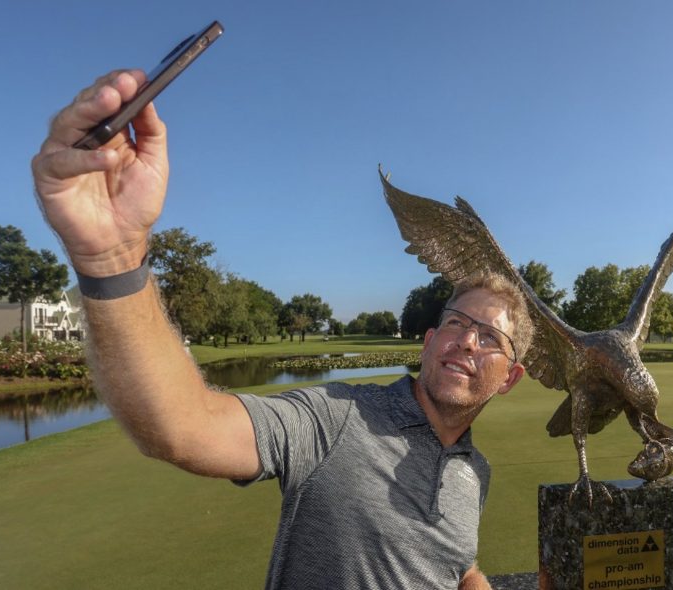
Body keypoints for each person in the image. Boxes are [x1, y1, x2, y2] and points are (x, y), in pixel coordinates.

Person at [31, 70, 534, 590]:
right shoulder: (335, 420)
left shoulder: (476, 473)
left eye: (490, 337)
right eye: (455, 323)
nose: (467, 341)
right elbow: (183, 427)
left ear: (510, 378)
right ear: (430, 343)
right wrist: (112, 259)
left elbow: (455, 565)